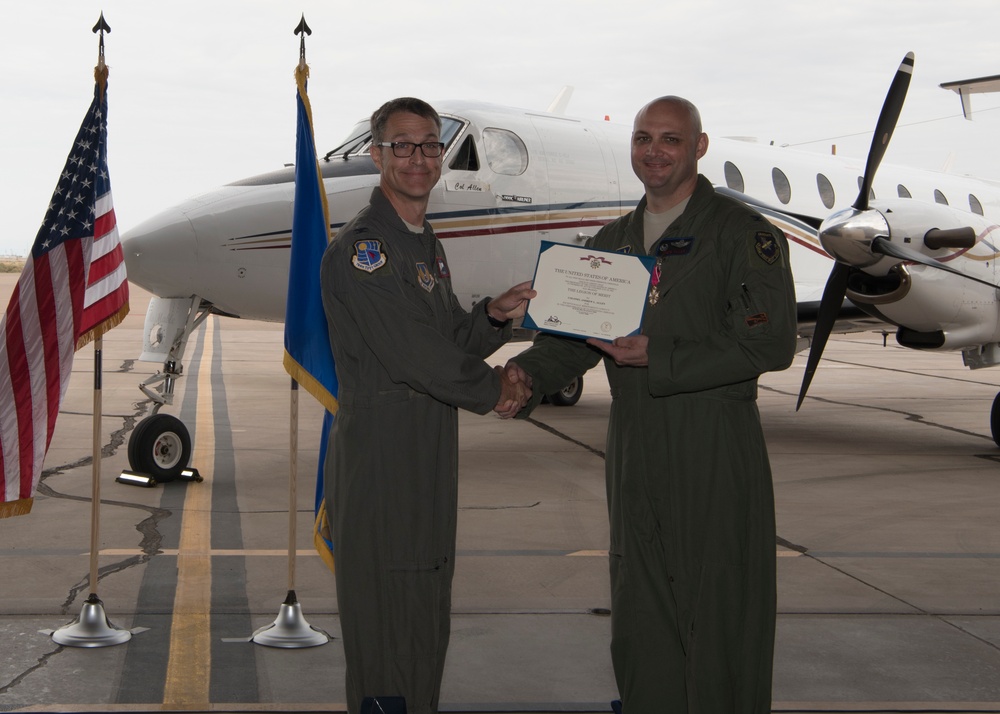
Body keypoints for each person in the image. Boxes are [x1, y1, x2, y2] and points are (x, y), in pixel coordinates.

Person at [506, 96, 797, 712]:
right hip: (635, 443)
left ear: (699, 146)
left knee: (722, 604)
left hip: (714, 439)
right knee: (640, 605)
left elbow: (768, 343)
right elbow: (568, 342)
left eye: (670, 138)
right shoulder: (610, 244)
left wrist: (656, 357)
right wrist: (525, 375)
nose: (654, 150)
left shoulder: (745, 236)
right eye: (643, 138)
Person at [319, 97, 534, 714]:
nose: (419, 159)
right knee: (389, 620)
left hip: (424, 449)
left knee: (421, 610)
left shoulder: (421, 242)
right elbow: (414, 355)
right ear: (376, 155)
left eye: (430, 145)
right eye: (403, 146)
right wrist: (496, 389)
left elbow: (441, 340)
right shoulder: (368, 250)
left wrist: (492, 317)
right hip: (386, 461)